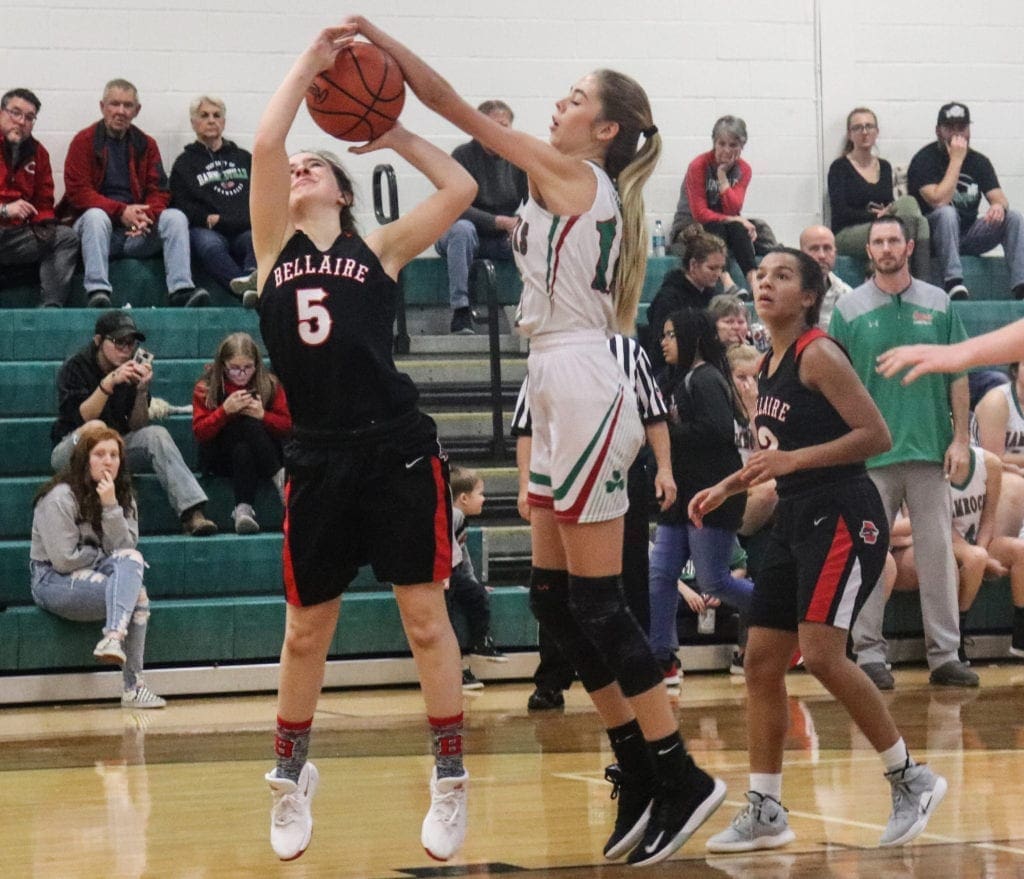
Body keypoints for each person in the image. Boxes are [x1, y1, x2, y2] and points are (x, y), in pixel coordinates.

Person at [346, 15, 726, 866]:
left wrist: (382, 42)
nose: (561, 101)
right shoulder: (564, 184)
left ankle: (681, 775)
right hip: (554, 378)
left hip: (586, 382)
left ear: (607, 129)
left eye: (577, 96)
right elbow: (462, 178)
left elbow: (458, 105)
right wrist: (395, 130)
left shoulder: (575, 172)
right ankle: (636, 766)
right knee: (553, 602)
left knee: (598, 603)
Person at [248, 25, 477, 864]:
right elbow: (268, 140)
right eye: (297, 170)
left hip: (396, 449)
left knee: (424, 617)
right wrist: (308, 63)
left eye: (319, 167)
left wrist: (397, 132)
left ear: (344, 194)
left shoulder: (377, 248)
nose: (301, 167)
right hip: (316, 454)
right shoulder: (271, 252)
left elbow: (456, 186)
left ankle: (450, 774)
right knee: (306, 630)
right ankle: (290, 773)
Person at [690, 247, 947, 853]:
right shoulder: (769, 361)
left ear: (809, 295)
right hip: (795, 513)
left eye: (782, 276)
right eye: (761, 275)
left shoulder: (819, 354)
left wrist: (793, 462)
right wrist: (728, 484)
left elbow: (875, 436)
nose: (765, 284)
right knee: (760, 661)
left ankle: (912, 778)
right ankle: (767, 810)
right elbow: (776, 453)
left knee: (824, 654)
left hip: (842, 512)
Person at [830, 216, 978, 689]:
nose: (887, 247)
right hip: (870, 457)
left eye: (894, 240)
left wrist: (959, 439)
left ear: (909, 246)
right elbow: (836, 382)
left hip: (931, 450)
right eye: (878, 241)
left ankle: (946, 656)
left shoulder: (939, 304)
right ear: (868, 251)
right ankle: (870, 654)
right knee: (870, 556)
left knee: (937, 556)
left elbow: (959, 373)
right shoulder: (848, 310)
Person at [512, 334, 675, 711]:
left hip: (619, 474)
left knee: (630, 578)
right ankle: (552, 679)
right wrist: (524, 485)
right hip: (559, 472)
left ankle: (639, 679)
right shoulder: (545, 351)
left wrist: (664, 469)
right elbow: (526, 426)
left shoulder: (628, 350)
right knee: (554, 588)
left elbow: (654, 415)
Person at [649, 308, 753, 684]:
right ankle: (663, 659)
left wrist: (661, 433)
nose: (664, 342)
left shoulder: (707, 379)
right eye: (662, 335)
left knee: (714, 583)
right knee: (660, 575)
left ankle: (779, 611)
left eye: (671, 334)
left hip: (712, 496)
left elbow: (716, 430)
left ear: (692, 336)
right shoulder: (674, 380)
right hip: (680, 497)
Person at [30, 423, 166, 709]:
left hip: (96, 571)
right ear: (84, 459)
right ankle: (129, 676)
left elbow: (126, 549)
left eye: (114, 455)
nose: (108, 461)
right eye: (99, 454)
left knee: (134, 568)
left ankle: (124, 664)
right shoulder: (58, 497)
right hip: (51, 580)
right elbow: (64, 559)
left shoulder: (121, 496)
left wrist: (110, 507)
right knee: (132, 591)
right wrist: (101, 556)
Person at [50, 309, 217, 537]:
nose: (126, 349)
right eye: (119, 342)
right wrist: (108, 383)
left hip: (113, 449)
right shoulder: (76, 367)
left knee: (156, 434)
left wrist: (141, 392)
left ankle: (192, 512)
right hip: (71, 448)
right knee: (95, 429)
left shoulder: (131, 370)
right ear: (99, 341)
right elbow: (82, 417)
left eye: (130, 344)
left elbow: (139, 425)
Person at [58, 79, 209, 308]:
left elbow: (159, 190)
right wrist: (121, 212)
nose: (120, 111)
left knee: (175, 217)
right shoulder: (84, 141)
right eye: (114, 104)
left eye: (127, 105)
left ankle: (181, 290)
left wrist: (145, 217)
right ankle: (97, 292)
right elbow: (78, 193)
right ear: (102, 107)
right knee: (95, 216)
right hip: (98, 233)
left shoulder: (146, 144)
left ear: (136, 111)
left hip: (136, 232)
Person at [888, 446, 1024, 661]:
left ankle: (1020, 639)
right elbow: (937, 520)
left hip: (976, 540)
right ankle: (957, 637)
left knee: (1019, 551)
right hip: (941, 538)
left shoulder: (989, 463)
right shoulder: (928, 467)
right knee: (975, 558)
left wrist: (983, 547)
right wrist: (979, 553)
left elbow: (988, 519)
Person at [907, 101, 1024, 300]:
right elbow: (938, 200)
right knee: (947, 213)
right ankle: (954, 282)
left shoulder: (979, 161)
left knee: (1013, 217)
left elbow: (1000, 198)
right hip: (936, 235)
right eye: (949, 128)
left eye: (962, 128)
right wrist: (957, 160)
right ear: (938, 131)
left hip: (969, 234)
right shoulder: (924, 159)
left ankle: (1020, 284)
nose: (957, 134)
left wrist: (998, 206)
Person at [435, 99, 528, 334]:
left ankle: (533, 309)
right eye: (495, 125)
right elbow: (455, 205)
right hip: (463, 233)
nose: (501, 132)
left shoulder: (519, 158)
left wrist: (523, 225)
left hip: (501, 239)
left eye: (505, 126)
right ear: (479, 127)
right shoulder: (463, 156)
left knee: (537, 233)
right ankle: (461, 311)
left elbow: (537, 204)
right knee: (463, 229)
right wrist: (498, 222)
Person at [191, 332, 291, 535]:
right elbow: (201, 433)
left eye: (248, 368)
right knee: (244, 423)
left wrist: (263, 415)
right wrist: (224, 412)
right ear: (223, 365)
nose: (242, 374)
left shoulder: (269, 384)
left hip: (261, 456)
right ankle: (282, 483)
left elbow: (287, 426)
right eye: (234, 369)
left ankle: (243, 510)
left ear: (256, 364)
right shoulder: (207, 387)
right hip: (220, 457)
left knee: (245, 444)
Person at [669, 116, 774, 297]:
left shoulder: (744, 169)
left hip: (724, 223)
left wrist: (722, 177)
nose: (726, 150)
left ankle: (754, 281)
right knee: (718, 226)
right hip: (691, 224)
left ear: (742, 147)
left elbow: (733, 208)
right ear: (714, 143)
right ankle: (727, 282)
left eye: (733, 145)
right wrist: (734, 218)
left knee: (737, 227)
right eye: (722, 144)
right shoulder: (698, 165)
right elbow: (700, 213)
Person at [170, 95, 256, 298]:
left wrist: (224, 220)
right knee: (209, 246)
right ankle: (245, 291)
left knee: (256, 240)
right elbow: (180, 203)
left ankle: (253, 278)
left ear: (223, 122)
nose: (211, 120)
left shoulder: (244, 158)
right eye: (204, 115)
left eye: (217, 115)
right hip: (208, 231)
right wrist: (205, 219)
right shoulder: (184, 163)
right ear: (194, 123)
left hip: (243, 227)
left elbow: (259, 197)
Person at [828, 108, 930, 280]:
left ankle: (920, 284)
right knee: (903, 226)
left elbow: (888, 202)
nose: (865, 132)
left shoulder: (884, 166)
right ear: (850, 134)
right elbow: (840, 212)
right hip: (848, 233)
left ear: (877, 132)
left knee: (916, 213)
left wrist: (886, 215)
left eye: (869, 126)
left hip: (880, 226)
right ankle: (905, 277)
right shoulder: (839, 167)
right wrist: (875, 217)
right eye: (858, 128)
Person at [0, 87, 79, 307]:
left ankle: (50, 307)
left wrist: (43, 224)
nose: (21, 121)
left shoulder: (39, 153)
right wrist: (4, 210)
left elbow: (44, 201)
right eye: (15, 113)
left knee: (65, 237)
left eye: (29, 117)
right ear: (1, 113)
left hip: (18, 235)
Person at [446, 466, 508, 691]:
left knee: (476, 595)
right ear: (463, 498)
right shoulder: (452, 515)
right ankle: (454, 671)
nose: (485, 498)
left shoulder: (459, 517)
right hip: (440, 574)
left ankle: (480, 643)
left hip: (451, 573)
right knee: (447, 618)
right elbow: (444, 548)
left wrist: (472, 582)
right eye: (480, 493)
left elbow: (463, 554)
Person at [646, 224, 727, 370]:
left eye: (721, 268)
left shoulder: (712, 294)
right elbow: (662, 350)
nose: (718, 274)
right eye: (712, 268)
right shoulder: (669, 299)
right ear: (693, 265)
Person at [798, 225, 852, 330]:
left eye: (827, 248)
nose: (822, 255)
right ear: (801, 254)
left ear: (835, 253)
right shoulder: (785, 292)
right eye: (814, 249)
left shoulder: (847, 295)